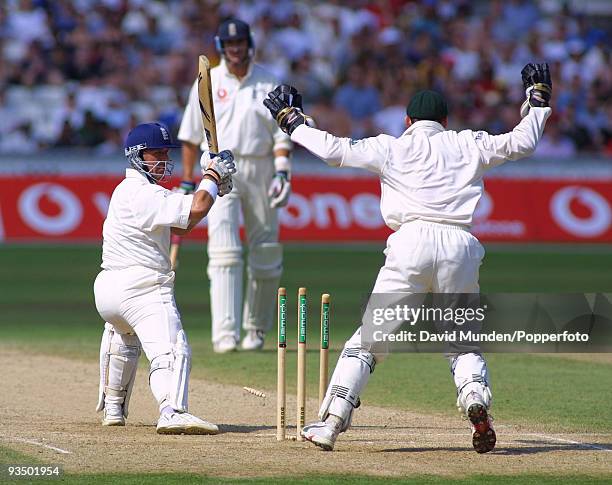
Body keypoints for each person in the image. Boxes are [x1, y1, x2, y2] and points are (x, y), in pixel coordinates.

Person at [263, 64, 552, 452]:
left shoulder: (391, 145)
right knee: (462, 340)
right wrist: (537, 102)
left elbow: (334, 151)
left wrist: (293, 122)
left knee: (369, 340)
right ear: (445, 121)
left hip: (410, 244)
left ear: (408, 120)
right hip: (459, 246)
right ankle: (475, 402)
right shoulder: (469, 142)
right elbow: (524, 142)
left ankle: (331, 423)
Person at [93, 122, 236, 434]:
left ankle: (114, 407)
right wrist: (211, 177)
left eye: (164, 153)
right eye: (156, 153)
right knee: (171, 349)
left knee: (125, 337)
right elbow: (195, 207)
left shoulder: (127, 191)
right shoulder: (143, 193)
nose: (162, 159)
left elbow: (183, 223)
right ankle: (171, 410)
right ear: (136, 155)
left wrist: (213, 191)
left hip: (107, 292)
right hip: (142, 289)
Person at [178, 18, 293, 353]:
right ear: (221, 47)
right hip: (219, 167)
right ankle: (225, 334)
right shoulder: (208, 81)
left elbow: (281, 134)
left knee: (266, 251)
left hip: (260, 166)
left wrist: (282, 171)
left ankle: (255, 330)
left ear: (249, 43)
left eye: (240, 43)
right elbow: (189, 136)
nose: (235, 49)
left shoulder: (268, 81)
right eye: (229, 45)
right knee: (224, 252)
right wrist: (188, 182)